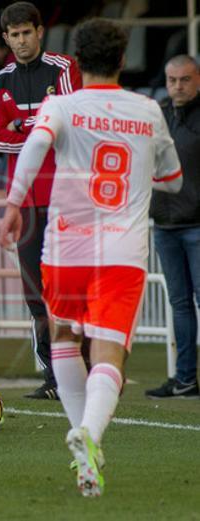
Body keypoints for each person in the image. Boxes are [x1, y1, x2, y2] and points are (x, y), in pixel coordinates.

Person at [0, 18, 182, 497]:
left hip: (64, 246)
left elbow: (35, 144)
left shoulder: (62, 104)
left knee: (62, 334)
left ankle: (84, 449)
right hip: (121, 250)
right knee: (108, 352)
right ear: (122, 60)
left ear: (77, 63)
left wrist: (15, 204)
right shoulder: (147, 110)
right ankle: (90, 434)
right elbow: (174, 179)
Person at [0, 1, 82, 400]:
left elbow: (72, 124)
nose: (22, 41)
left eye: (28, 32)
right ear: (6, 38)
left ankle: (85, 371)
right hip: (24, 202)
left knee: (71, 285)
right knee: (34, 292)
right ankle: (54, 378)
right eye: (15, 35)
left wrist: (20, 126)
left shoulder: (64, 69)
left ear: (40, 32)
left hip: (65, 195)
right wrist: (40, 128)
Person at [146, 55, 200, 399]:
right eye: (171, 80)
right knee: (179, 304)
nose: (177, 86)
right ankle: (185, 379)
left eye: (184, 79)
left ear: (197, 80)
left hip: (197, 224)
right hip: (164, 223)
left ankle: (185, 377)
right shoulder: (158, 114)